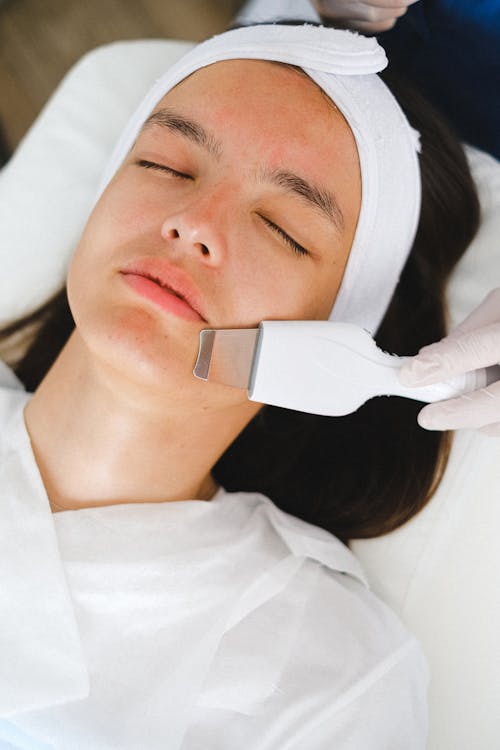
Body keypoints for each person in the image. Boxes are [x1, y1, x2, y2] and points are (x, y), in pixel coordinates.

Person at [0, 23, 480, 749]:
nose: (192, 224)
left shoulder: (328, 673)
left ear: (332, 333)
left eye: (282, 228)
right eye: (167, 165)